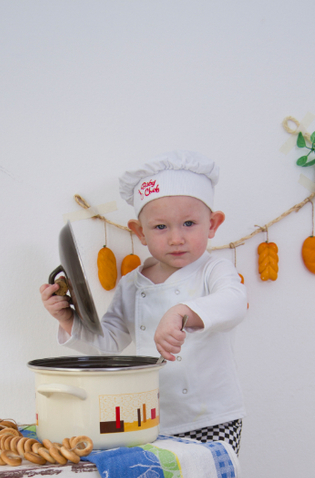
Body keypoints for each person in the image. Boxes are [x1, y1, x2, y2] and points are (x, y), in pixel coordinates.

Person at [40, 151, 247, 453]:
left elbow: (234, 303)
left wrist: (182, 311)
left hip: (212, 416)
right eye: (161, 227)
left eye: (189, 223)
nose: (176, 238)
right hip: (149, 416)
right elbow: (109, 343)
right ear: (140, 232)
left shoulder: (214, 269)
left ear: (213, 224)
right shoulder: (131, 284)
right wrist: (67, 319)